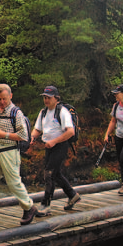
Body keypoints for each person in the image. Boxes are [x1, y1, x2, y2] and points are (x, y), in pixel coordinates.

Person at [0, 84, 38, 230]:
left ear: (10, 96)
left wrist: (5, 135)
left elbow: (24, 136)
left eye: (4, 98)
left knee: (13, 184)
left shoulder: (16, 113)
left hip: (9, 151)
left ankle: (29, 207)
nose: (2, 102)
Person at [31, 86, 81, 216]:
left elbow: (70, 132)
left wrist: (55, 141)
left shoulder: (62, 112)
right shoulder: (43, 112)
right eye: (44, 97)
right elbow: (38, 129)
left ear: (56, 98)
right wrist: (32, 137)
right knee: (56, 174)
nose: (46, 100)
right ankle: (72, 195)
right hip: (48, 146)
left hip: (60, 145)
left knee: (49, 174)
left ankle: (45, 204)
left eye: (49, 98)